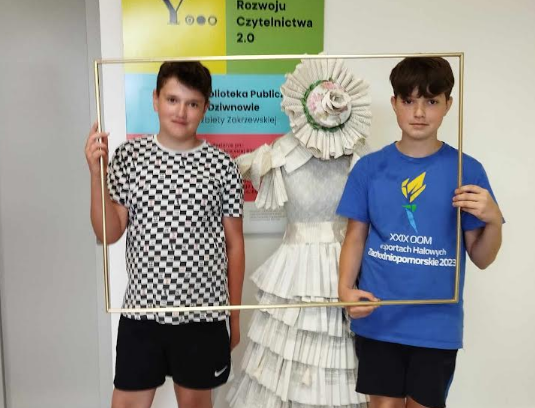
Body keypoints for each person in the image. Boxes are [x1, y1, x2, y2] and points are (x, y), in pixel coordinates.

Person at [337, 57, 503, 408]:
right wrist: (345, 289)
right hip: (379, 318)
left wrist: (493, 219)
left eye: (431, 101)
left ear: (448, 105)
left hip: (436, 325)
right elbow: (355, 236)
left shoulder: (467, 170)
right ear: (394, 103)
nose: (419, 112)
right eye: (408, 100)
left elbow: (482, 257)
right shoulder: (369, 168)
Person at [85, 61, 245, 408]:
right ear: (155, 99)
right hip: (143, 312)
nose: (181, 112)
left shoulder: (222, 166)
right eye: (173, 100)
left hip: (203, 314)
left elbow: (235, 245)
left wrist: (233, 316)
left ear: (205, 107)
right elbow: (108, 232)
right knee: (127, 403)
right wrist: (97, 176)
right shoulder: (129, 157)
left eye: (192, 103)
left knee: (196, 404)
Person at [227, 58, 371, 408]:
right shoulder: (279, 154)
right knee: (283, 362)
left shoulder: (359, 156)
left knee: (342, 360)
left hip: (346, 265)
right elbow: (237, 171)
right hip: (294, 271)